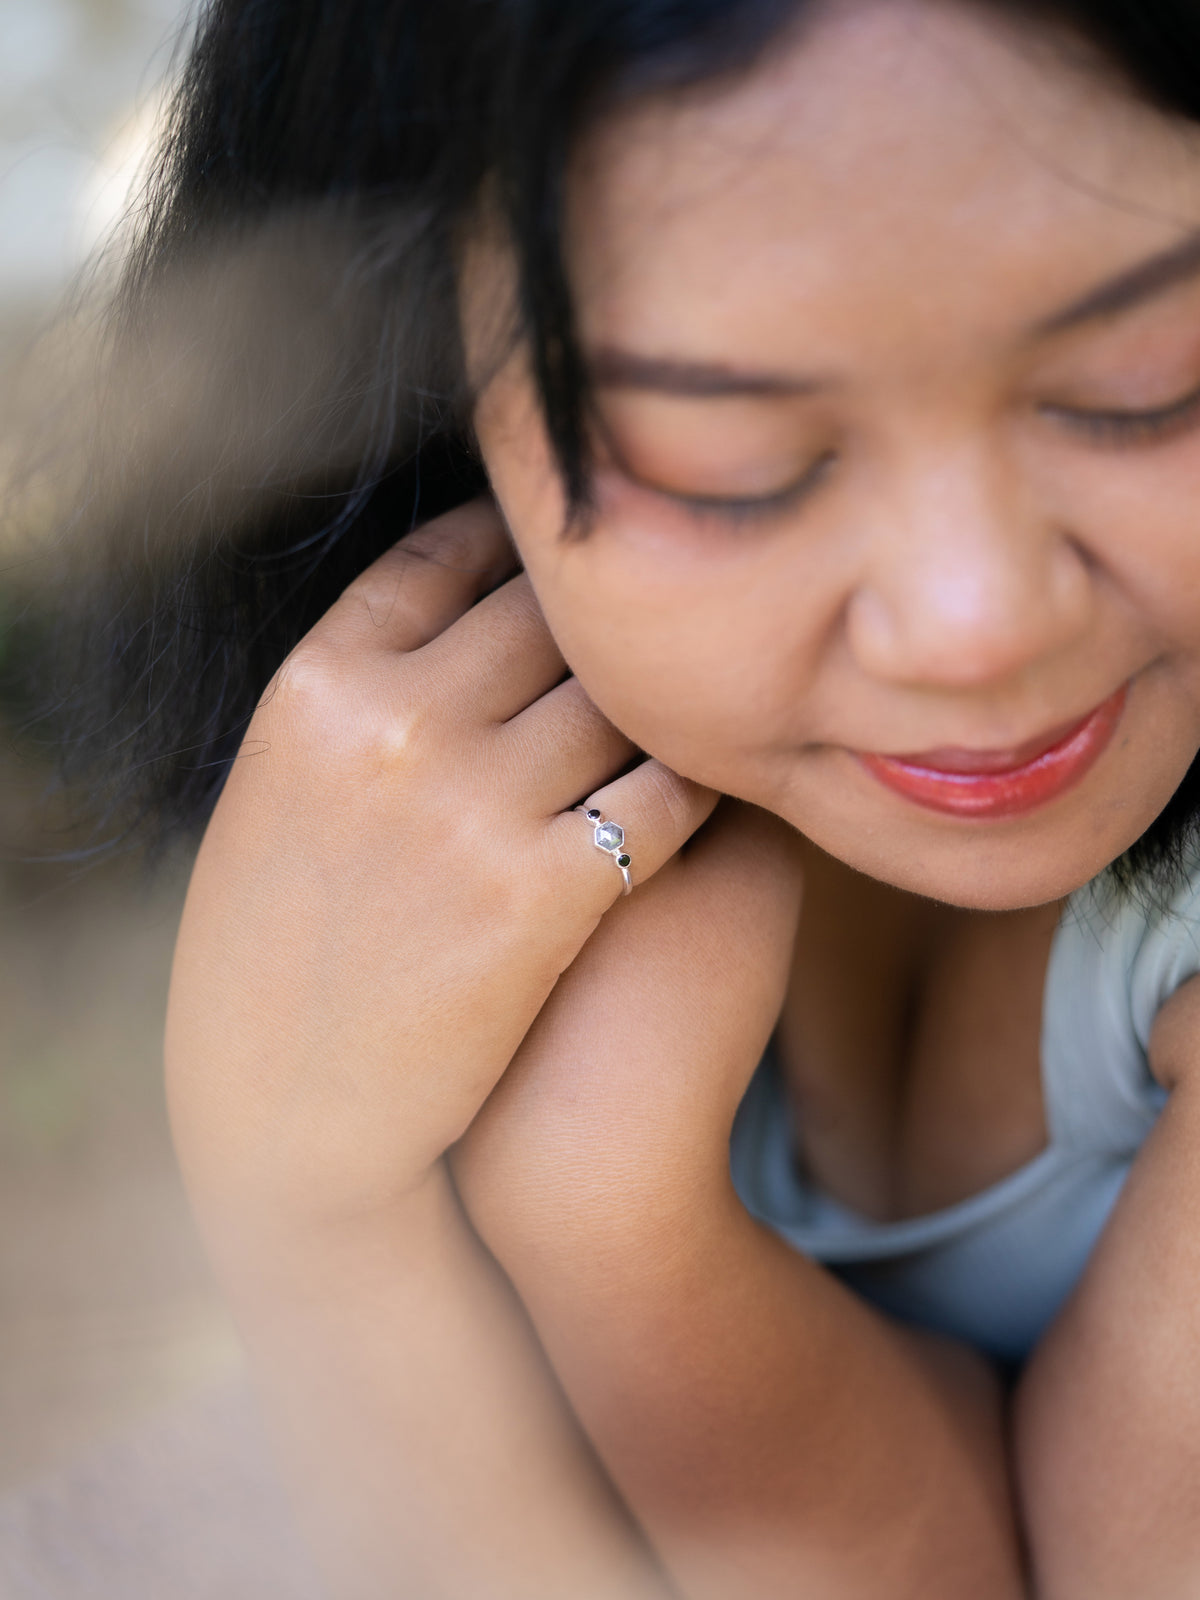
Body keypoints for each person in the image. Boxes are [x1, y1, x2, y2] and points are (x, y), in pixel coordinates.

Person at [67, 0, 1200, 1593]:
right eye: (730, 465)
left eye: (1149, 380)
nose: (981, 619)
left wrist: (606, 1225)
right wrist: (301, 1201)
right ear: (431, 401)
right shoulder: (431, 848)